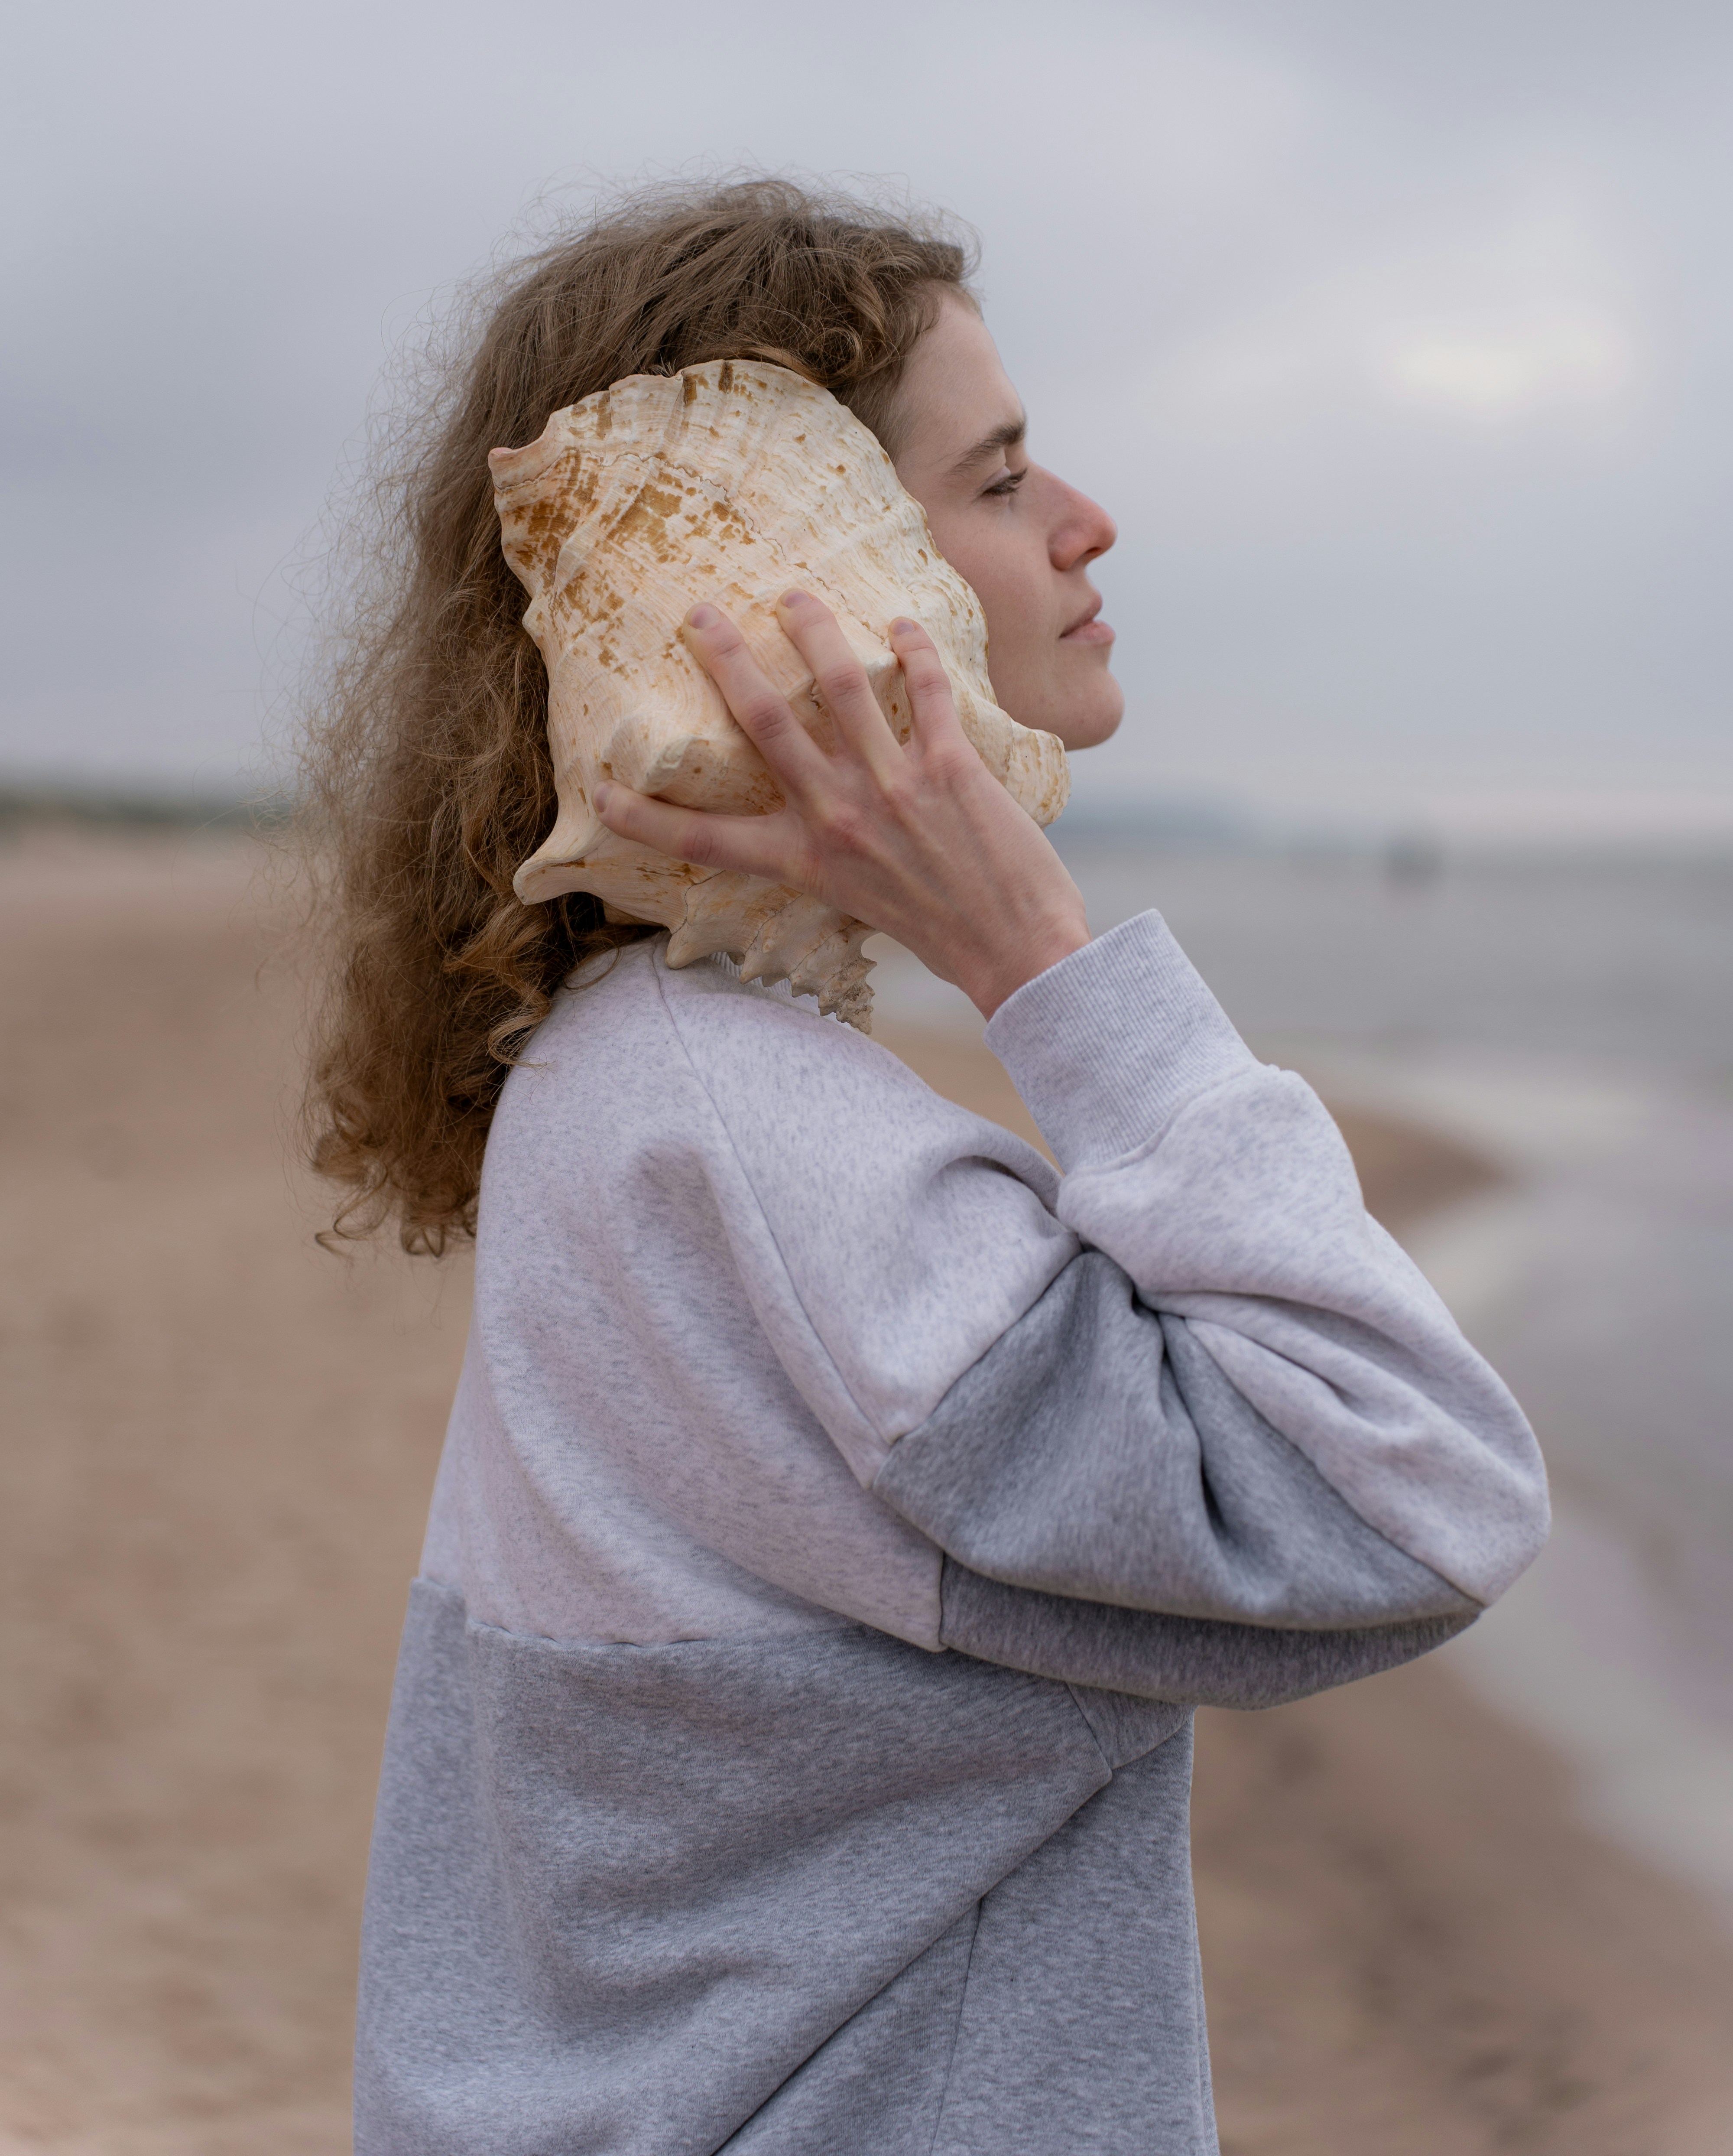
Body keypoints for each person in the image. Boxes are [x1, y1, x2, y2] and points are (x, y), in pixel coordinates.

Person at [304, 180, 1548, 2155]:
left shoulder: (630, 1087)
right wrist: (1042, 958)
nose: (1085, 525)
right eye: (999, 476)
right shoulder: (764, 1154)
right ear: (800, 571)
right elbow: (1416, 1496)